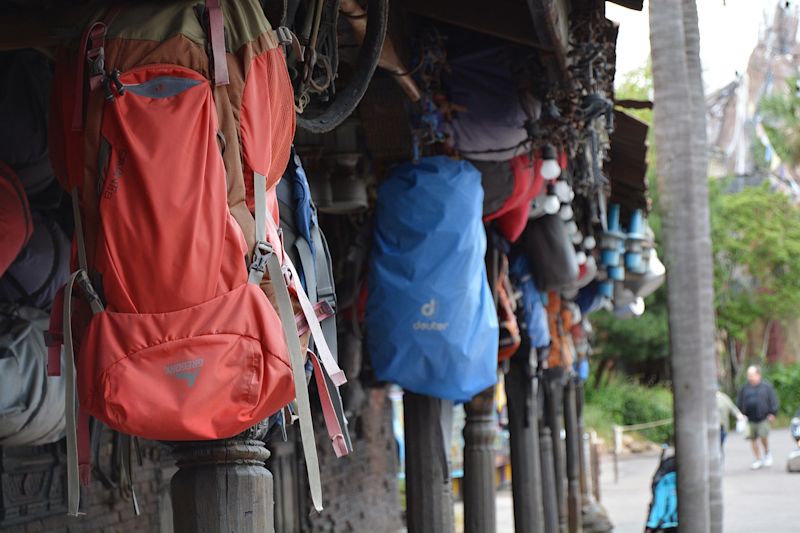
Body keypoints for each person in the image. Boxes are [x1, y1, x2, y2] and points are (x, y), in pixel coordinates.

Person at [736, 365, 779, 470]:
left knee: (764, 437)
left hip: (763, 417)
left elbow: (773, 400)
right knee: (753, 439)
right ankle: (758, 459)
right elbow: (739, 401)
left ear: (758, 375)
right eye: (749, 375)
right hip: (750, 419)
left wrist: (772, 413)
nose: (750, 377)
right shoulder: (744, 388)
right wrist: (740, 413)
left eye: (752, 374)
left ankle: (767, 453)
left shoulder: (766, 387)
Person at [716, 389, 745, 454]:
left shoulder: (723, 397)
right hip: (710, 428)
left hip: (722, 427)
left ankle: (719, 462)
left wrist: (738, 415)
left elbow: (732, 407)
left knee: (719, 447)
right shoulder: (704, 398)